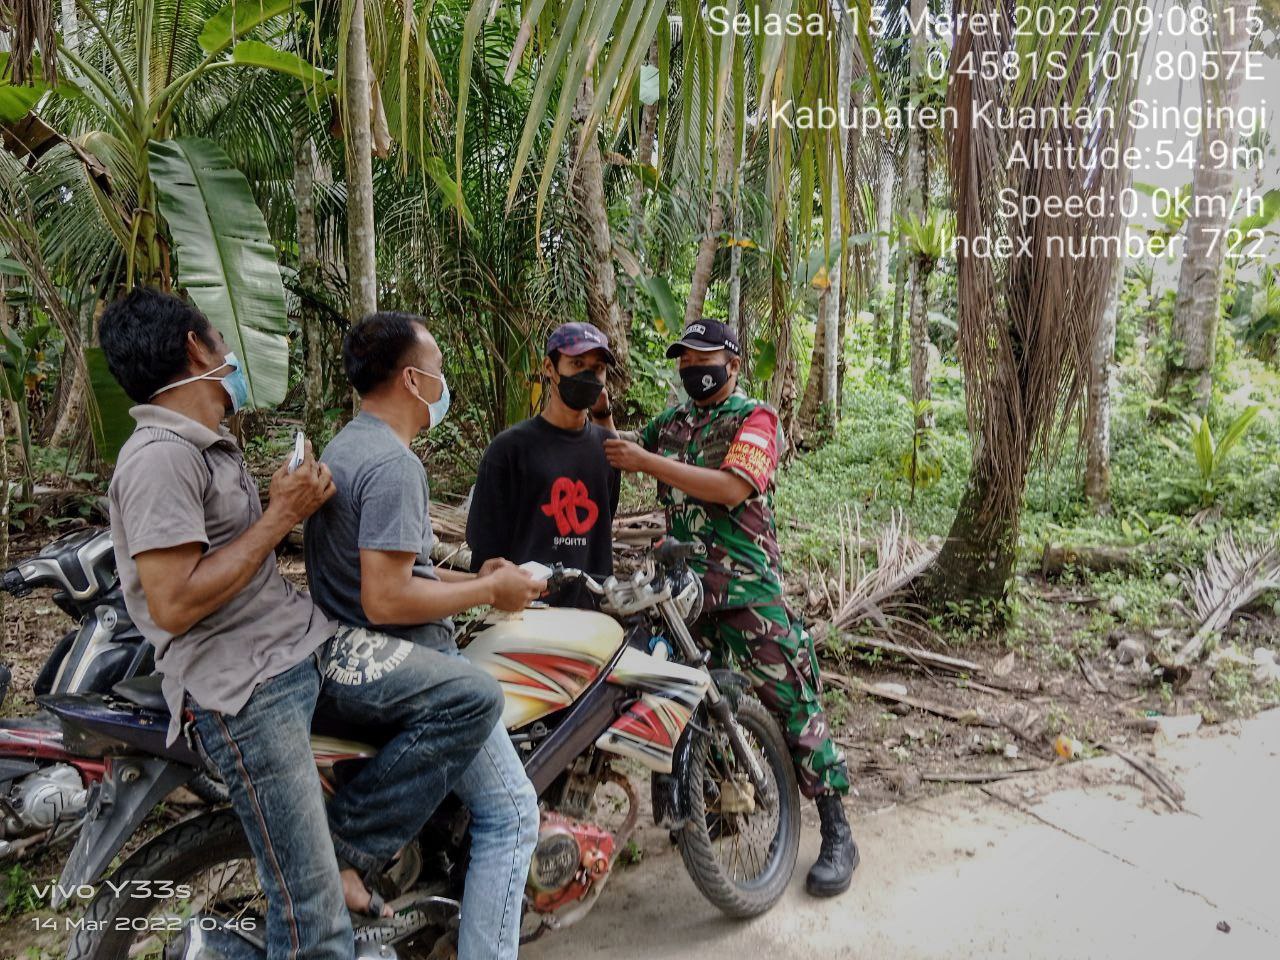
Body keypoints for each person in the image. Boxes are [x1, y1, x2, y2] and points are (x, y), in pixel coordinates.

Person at [100, 288, 503, 960]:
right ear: (197, 350)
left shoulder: (208, 445)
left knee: (469, 696)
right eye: (221, 344)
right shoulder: (159, 456)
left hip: (306, 645)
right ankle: (315, 879)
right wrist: (281, 515)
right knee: (316, 928)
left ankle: (338, 849)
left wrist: (290, 501)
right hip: (249, 688)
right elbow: (172, 604)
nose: (231, 357)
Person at [304, 312, 544, 960]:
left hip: (336, 647)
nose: (445, 385)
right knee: (514, 814)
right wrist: (492, 593)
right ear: (413, 379)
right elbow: (385, 597)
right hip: (390, 654)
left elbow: (399, 556)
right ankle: (350, 847)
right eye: (439, 372)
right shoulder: (392, 464)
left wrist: (473, 566)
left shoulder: (348, 445)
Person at [603, 318, 859, 898]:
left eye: (704, 357)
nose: (693, 368)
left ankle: (837, 829)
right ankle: (723, 808)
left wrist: (648, 464)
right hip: (683, 596)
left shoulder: (754, 420)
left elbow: (731, 487)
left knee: (791, 702)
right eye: (685, 360)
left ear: (733, 363)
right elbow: (622, 454)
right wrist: (603, 417)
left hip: (747, 589)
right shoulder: (670, 425)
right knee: (699, 705)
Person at [466, 322, 620, 603]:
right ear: (549, 367)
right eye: (577, 363)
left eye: (597, 368)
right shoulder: (508, 450)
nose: (588, 375)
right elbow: (487, 556)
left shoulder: (607, 449)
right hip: (526, 617)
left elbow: (602, 528)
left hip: (594, 618)